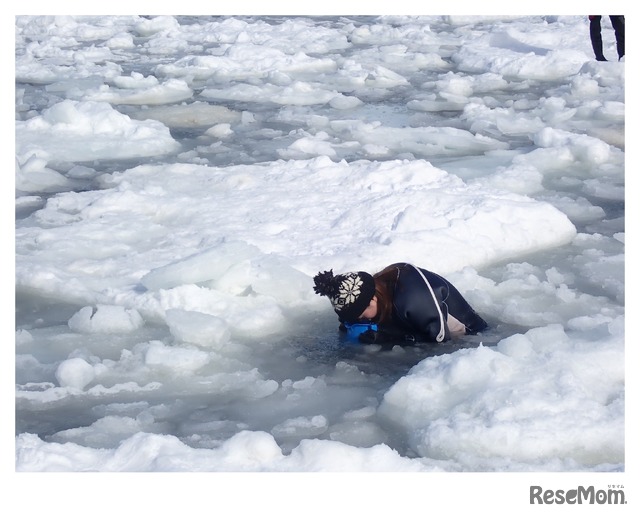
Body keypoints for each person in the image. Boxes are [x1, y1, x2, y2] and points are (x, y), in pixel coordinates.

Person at [313, 263, 488, 345]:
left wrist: (390, 338)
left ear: (372, 299)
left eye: (360, 316)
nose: (361, 320)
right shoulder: (369, 294)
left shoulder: (414, 299)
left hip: (468, 337)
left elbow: (440, 342)